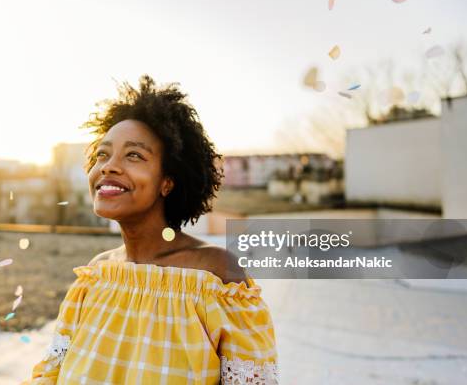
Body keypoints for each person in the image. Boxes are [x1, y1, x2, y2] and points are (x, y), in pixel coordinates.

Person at [23, 76, 278, 384]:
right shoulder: (95, 278)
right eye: (102, 154)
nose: (108, 166)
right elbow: (51, 375)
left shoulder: (216, 278)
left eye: (134, 155)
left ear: (167, 182)